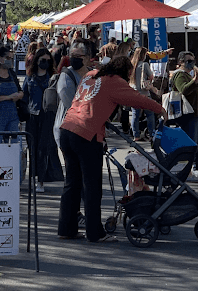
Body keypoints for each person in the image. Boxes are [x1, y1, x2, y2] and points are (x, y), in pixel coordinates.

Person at [58, 57, 166, 242]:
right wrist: (160, 109)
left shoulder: (90, 75)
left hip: (67, 129)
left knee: (72, 183)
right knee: (92, 186)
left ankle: (66, 228)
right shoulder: (115, 82)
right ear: (125, 71)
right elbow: (137, 99)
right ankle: (94, 233)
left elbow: (88, 104)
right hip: (86, 135)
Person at [22, 47, 64, 193]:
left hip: (48, 116)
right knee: (32, 148)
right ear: (36, 61)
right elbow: (24, 96)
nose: (45, 63)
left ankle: (41, 180)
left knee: (44, 148)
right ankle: (33, 178)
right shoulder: (30, 77)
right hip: (32, 115)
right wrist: (23, 114)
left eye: (47, 60)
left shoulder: (53, 78)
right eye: (42, 60)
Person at [171, 51, 198, 183]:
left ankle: (190, 170)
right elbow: (184, 90)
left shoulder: (186, 75)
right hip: (188, 115)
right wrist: (196, 79)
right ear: (181, 62)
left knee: (196, 143)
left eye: (193, 60)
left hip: (194, 114)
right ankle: (185, 172)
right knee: (189, 144)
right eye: (188, 61)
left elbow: (190, 91)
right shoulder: (179, 75)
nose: (191, 63)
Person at [53, 40, 92, 146]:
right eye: (72, 55)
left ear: (87, 58)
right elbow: (71, 106)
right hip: (69, 129)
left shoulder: (93, 74)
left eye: (78, 56)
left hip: (88, 130)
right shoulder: (66, 76)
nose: (74, 59)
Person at [129, 47, 159, 141]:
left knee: (135, 115)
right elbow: (151, 77)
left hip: (134, 92)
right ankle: (151, 134)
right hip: (144, 93)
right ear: (143, 55)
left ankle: (136, 135)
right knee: (150, 114)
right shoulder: (144, 65)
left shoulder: (132, 65)